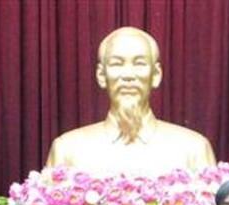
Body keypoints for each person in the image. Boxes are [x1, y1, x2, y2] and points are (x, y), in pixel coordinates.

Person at [45, 26, 216, 176]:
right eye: (117, 64)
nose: (128, 75)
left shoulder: (193, 150)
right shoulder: (67, 150)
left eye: (139, 64)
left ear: (156, 75)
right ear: (101, 75)